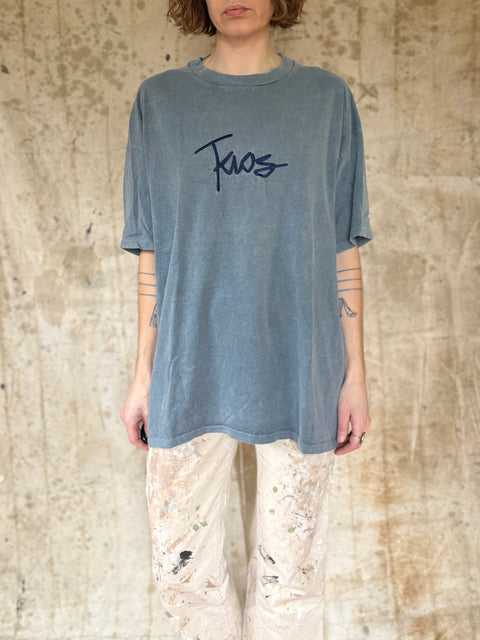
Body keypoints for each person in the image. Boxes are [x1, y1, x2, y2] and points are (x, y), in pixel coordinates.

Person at [120, 0, 372, 638]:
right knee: (183, 575)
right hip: (187, 365)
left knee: (293, 577)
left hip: (303, 365)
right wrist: (143, 374)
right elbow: (152, 253)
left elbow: (342, 246)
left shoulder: (325, 101)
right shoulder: (160, 103)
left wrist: (355, 376)